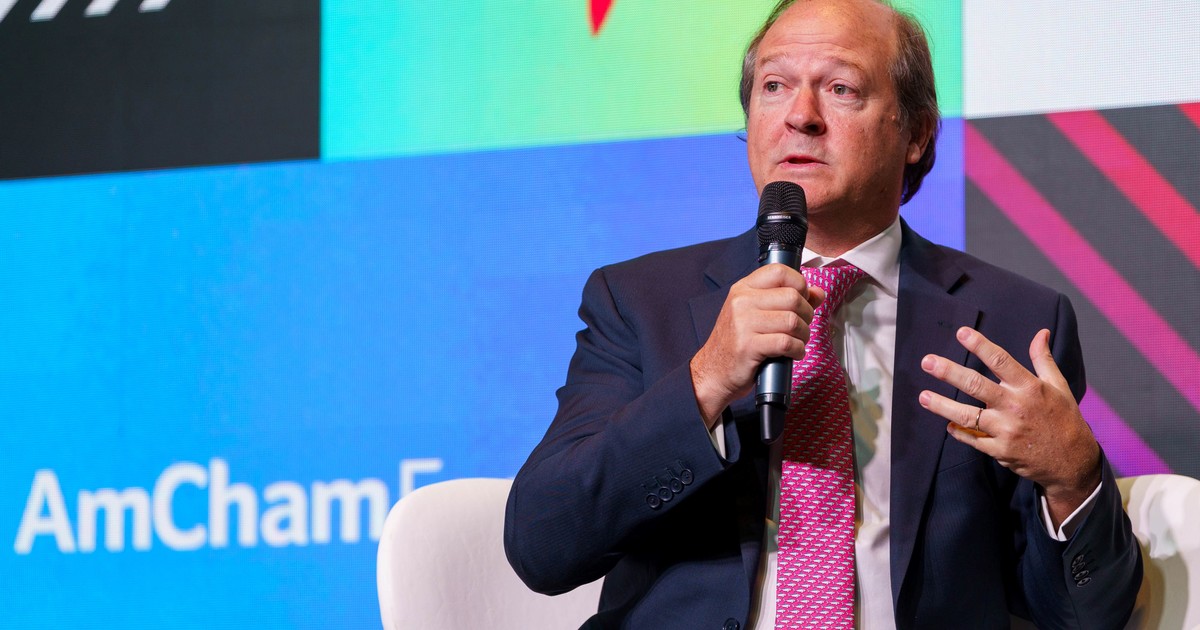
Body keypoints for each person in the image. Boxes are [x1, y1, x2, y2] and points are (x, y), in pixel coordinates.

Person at [504, 0, 1142, 627]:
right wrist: (706, 381)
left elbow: (1087, 615)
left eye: (841, 88)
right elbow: (543, 546)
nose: (800, 116)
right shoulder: (640, 301)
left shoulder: (1015, 321)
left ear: (916, 133)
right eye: (774, 86)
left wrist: (1074, 479)